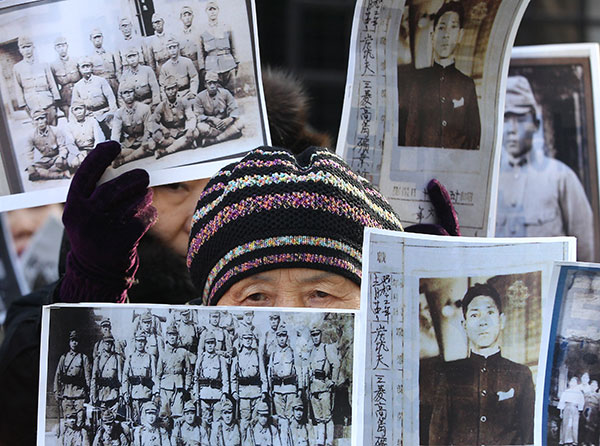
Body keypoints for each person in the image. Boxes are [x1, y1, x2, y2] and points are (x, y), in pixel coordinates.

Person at [495, 75, 595, 261]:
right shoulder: (489, 184)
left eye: (520, 119)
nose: (512, 129)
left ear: (536, 124)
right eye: (505, 119)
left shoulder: (561, 177)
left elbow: (586, 250)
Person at [429, 282, 535, 445]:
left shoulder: (521, 375)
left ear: (502, 321)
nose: (483, 322)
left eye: (490, 313)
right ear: (464, 326)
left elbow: (529, 437)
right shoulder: (449, 374)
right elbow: (437, 436)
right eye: (474, 315)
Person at [402, 1, 481, 150]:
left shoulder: (467, 84)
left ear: (460, 35)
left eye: (453, 27)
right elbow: (410, 132)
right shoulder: (418, 80)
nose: (446, 35)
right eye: (442, 28)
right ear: (432, 36)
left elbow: (474, 134)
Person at [13, 35, 60, 125]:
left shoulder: (43, 64)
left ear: (33, 47)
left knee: (53, 128)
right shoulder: (17, 68)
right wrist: (23, 104)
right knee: (40, 131)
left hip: (48, 102)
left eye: (28, 46)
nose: (27, 50)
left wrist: (56, 99)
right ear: (20, 50)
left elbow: (51, 82)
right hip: (32, 105)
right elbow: (18, 87)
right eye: (23, 47)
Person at [307, 322, 340, 446]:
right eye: (313, 335)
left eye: (317, 335)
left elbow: (336, 364)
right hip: (313, 388)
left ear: (321, 335)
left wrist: (333, 381)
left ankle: (329, 441)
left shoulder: (326, 348)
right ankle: (321, 440)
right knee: (319, 417)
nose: (315, 337)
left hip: (324, 387)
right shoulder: (311, 351)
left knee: (327, 416)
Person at [230, 325, 267, 437]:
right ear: (241, 340)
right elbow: (233, 377)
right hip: (243, 394)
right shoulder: (237, 358)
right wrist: (234, 392)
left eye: (250, 338)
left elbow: (263, 375)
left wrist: (264, 391)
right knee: (244, 422)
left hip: (256, 393)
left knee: (256, 421)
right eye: (245, 338)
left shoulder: (257, 356)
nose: (248, 341)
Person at [148, 75, 197, 159]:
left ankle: (165, 151)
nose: (171, 92)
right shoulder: (161, 106)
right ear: (165, 91)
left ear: (177, 88)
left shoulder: (184, 102)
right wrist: (162, 128)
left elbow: (191, 117)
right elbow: (151, 122)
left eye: (173, 88)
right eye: (168, 89)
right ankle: (184, 144)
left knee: (195, 132)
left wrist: (190, 129)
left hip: (183, 131)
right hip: (169, 135)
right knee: (156, 135)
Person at [192, 70, 243, 146]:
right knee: (200, 127)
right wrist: (211, 119)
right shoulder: (199, 97)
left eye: (214, 83)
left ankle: (215, 140)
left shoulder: (225, 93)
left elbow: (234, 109)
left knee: (241, 122)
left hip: (225, 123)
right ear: (205, 84)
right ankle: (229, 134)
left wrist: (229, 119)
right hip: (211, 126)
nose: (212, 86)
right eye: (209, 83)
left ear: (217, 84)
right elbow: (198, 115)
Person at [110, 80, 153, 168]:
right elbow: (115, 134)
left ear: (135, 93)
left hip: (143, 141)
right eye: (125, 93)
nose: (128, 95)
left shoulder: (144, 108)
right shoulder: (119, 113)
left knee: (148, 147)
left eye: (130, 92)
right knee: (111, 153)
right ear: (121, 96)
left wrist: (144, 142)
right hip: (130, 144)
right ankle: (137, 154)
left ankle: (124, 160)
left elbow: (148, 129)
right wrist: (114, 148)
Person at [155, 323, 192, 422]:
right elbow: (158, 374)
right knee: (164, 416)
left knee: (178, 416)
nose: (172, 337)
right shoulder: (163, 354)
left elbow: (189, 372)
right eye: (170, 335)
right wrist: (157, 392)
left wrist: (186, 386)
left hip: (179, 388)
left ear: (177, 336)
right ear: (167, 336)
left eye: (174, 335)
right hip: (165, 388)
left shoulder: (183, 352)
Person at [54, 330, 91, 429]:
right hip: (67, 395)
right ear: (69, 342)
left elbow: (88, 377)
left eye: (76, 341)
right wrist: (56, 392)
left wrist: (89, 394)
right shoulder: (64, 357)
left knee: (79, 423)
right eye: (72, 341)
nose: (74, 343)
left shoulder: (83, 358)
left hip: (79, 396)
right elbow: (58, 375)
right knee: (68, 424)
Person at [198, 1, 238, 92]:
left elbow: (233, 45)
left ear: (218, 11)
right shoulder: (202, 30)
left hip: (228, 63)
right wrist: (202, 68)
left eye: (214, 9)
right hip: (212, 66)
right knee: (215, 93)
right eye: (210, 10)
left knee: (231, 91)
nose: (212, 12)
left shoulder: (226, 26)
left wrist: (236, 61)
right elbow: (200, 51)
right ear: (206, 12)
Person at [71, 56, 117, 135]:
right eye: (83, 67)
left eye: (88, 66)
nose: (86, 68)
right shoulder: (77, 86)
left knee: (113, 127)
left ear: (91, 67)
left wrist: (111, 113)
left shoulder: (101, 81)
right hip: (89, 116)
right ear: (79, 69)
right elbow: (74, 104)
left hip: (104, 113)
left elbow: (111, 98)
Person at [25, 108, 75, 181]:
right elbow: (29, 153)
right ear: (33, 122)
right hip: (46, 160)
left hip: (57, 158)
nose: (40, 122)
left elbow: (62, 147)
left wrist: (61, 157)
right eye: (37, 120)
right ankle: (61, 175)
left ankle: (45, 174)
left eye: (42, 118)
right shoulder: (31, 135)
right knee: (33, 170)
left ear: (46, 119)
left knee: (63, 163)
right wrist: (30, 165)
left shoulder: (56, 130)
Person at [194, 331, 229, 433]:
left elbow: (225, 378)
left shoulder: (220, 359)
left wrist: (224, 393)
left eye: (212, 343)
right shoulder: (201, 359)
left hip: (217, 396)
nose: (210, 346)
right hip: (204, 395)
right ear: (204, 344)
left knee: (217, 423)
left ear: (215, 344)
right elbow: (196, 377)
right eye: (208, 343)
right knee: (204, 423)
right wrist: (196, 393)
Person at [267, 323, 302, 421]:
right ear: (276, 338)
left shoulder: (292, 352)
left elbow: (298, 371)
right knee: (281, 418)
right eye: (279, 336)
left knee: (291, 417)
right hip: (277, 390)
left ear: (287, 337)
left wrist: (300, 388)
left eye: (284, 336)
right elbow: (270, 372)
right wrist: (270, 389)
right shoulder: (273, 354)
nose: (282, 339)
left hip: (290, 389)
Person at [122, 331, 157, 425]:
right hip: (134, 395)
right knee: (134, 422)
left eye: (142, 341)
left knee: (147, 422)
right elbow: (125, 376)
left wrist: (155, 393)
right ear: (135, 342)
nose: (140, 344)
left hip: (147, 395)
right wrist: (125, 392)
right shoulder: (130, 358)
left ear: (145, 343)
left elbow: (154, 376)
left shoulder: (150, 357)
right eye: (138, 341)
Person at [65, 100, 105, 169]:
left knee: (100, 159)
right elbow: (70, 144)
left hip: (92, 148)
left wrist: (94, 151)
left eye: (81, 109)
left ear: (85, 110)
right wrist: (79, 154)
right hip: (79, 151)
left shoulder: (92, 121)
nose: (79, 112)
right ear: (72, 112)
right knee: (75, 163)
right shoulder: (69, 126)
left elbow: (99, 138)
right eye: (76, 110)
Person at [159, 35, 199, 100]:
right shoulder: (165, 67)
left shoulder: (187, 62)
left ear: (178, 48)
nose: (172, 50)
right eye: (170, 48)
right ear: (167, 50)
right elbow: (162, 85)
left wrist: (193, 92)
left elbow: (194, 77)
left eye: (174, 47)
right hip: (172, 97)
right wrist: (165, 98)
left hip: (187, 93)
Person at [50, 36, 81, 120]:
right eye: (58, 47)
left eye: (63, 46)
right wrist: (59, 103)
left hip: (80, 95)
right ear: (55, 49)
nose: (61, 49)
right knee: (71, 121)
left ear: (67, 46)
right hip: (65, 99)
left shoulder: (76, 61)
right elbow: (54, 85)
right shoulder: (53, 66)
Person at [91, 335, 122, 412]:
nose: (108, 345)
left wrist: (120, 395)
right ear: (103, 344)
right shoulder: (98, 359)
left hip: (113, 393)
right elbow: (94, 379)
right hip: (102, 393)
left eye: (110, 343)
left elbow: (120, 378)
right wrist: (93, 395)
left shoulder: (117, 358)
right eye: (106, 343)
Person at [89, 28, 119, 95]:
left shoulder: (110, 54)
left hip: (114, 84)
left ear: (102, 38)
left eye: (99, 37)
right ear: (91, 39)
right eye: (95, 38)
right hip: (101, 86)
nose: (97, 40)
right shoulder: (90, 58)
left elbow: (118, 70)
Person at [558, 376, 585, 446]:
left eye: (574, 382)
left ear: (577, 384)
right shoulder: (566, 392)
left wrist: (579, 411)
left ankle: (573, 441)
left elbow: (581, 403)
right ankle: (565, 440)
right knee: (566, 424)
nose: (572, 383)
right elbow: (562, 402)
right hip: (567, 408)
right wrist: (561, 412)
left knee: (574, 425)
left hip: (575, 409)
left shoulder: (579, 393)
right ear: (569, 383)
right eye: (571, 381)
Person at [177, 6, 202, 74]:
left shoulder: (198, 32)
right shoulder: (178, 36)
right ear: (181, 18)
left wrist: (202, 68)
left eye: (189, 15)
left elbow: (201, 52)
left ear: (193, 17)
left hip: (197, 65)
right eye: (184, 16)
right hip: (185, 67)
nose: (187, 18)